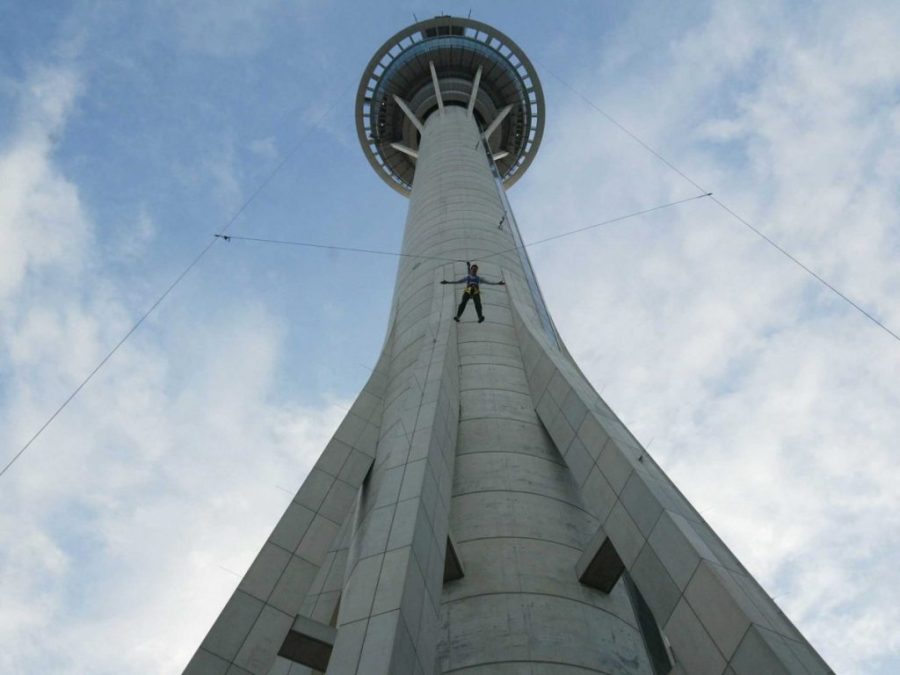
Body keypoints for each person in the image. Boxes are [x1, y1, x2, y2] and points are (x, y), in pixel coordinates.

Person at [441, 263, 505, 323]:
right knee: (463, 303)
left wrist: (498, 283)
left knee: (478, 303)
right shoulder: (468, 277)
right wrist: (448, 282)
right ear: (471, 270)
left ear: (476, 271)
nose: (474, 270)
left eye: (475, 270)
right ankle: (458, 316)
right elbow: (458, 281)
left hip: (475, 291)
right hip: (468, 291)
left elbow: (489, 282)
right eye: (473, 269)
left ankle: (480, 317)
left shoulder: (479, 279)